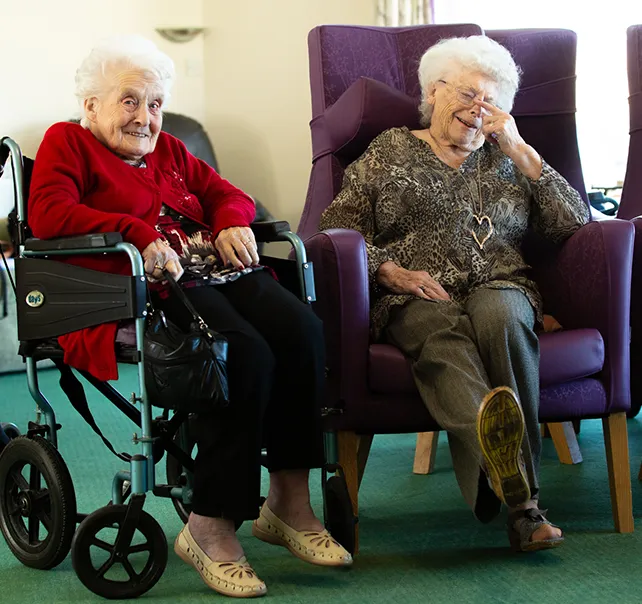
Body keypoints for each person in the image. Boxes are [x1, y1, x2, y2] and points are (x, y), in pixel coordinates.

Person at [28, 35, 351, 598]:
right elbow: (49, 212)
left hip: (208, 270)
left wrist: (228, 220)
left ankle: (288, 502)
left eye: (154, 104)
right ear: (91, 106)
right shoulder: (67, 143)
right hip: (136, 282)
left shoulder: (171, 150)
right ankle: (209, 526)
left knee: (301, 330)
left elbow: (229, 194)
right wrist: (136, 233)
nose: (145, 117)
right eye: (130, 101)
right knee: (239, 353)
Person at [320, 35, 590, 553]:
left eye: (491, 102)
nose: (478, 110)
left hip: (500, 281)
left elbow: (572, 223)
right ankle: (522, 503)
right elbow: (336, 234)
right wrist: (392, 272)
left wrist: (518, 148)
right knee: (441, 334)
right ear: (433, 93)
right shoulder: (390, 149)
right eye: (467, 95)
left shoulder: (508, 155)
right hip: (416, 292)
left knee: (505, 318)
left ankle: (510, 482)